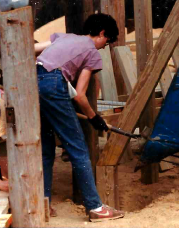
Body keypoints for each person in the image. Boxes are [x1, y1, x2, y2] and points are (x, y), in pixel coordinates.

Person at [35, 13, 125, 222]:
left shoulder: (65, 38)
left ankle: (43, 203)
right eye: (108, 41)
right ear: (102, 33)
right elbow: (80, 95)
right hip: (54, 84)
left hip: (34, 80)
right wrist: (95, 118)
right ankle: (95, 207)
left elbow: (34, 50)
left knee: (46, 150)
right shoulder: (92, 52)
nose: (105, 46)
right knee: (78, 148)